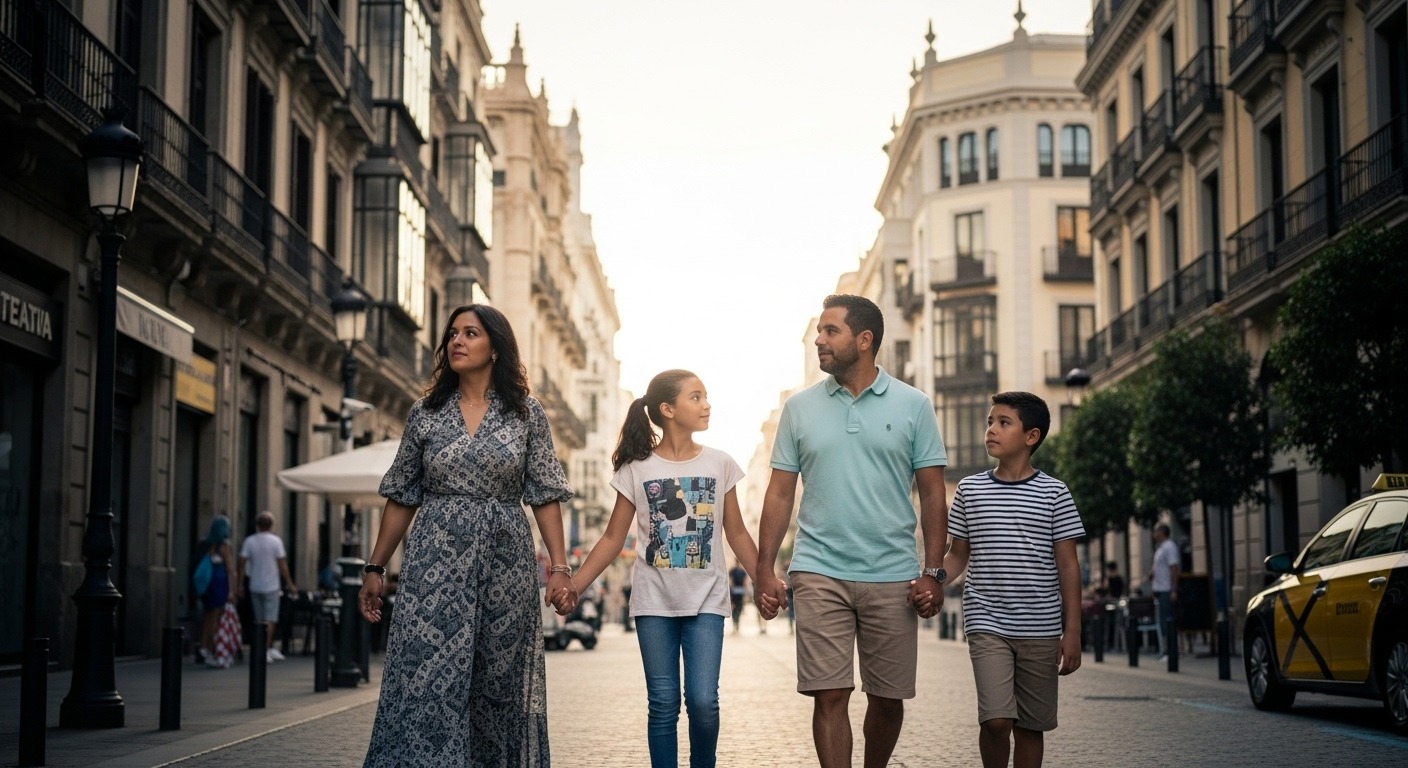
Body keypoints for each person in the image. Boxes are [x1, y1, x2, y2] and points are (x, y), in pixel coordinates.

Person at [358, 304, 575, 767]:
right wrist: (375, 567)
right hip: (433, 560)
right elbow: (402, 495)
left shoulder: (525, 414)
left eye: (470, 333)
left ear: (494, 347)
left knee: (497, 683)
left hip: (506, 561)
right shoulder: (426, 413)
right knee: (427, 676)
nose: (457, 340)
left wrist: (559, 568)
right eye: (453, 333)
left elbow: (545, 494)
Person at [753, 294, 948, 768]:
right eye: (819, 332)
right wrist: (765, 569)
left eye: (830, 331)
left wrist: (933, 573)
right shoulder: (799, 410)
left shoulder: (914, 405)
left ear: (864, 341)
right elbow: (778, 494)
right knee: (829, 695)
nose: (819, 340)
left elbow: (933, 495)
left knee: (887, 698)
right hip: (819, 569)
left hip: (893, 572)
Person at [563, 369, 761, 768]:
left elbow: (737, 532)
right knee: (663, 704)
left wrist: (766, 580)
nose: (706, 404)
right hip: (653, 603)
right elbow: (611, 538)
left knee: (704, 701)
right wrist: (575, 584)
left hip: (707, 601)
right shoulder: (637, 469)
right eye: (696, 397)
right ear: (668, 409)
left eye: (706, 396)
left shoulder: (720, 464)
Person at [942, 391, 1085, 768]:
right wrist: (932, 581)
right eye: (990, 421)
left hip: (1041, 626)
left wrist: (1072, 632)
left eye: (1003, 422)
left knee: (1029, 727)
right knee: (996, 720)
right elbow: (958, 555)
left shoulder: (1055, 493)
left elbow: (1069, 566)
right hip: (986, 621)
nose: (991, 429)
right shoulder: (970, 491)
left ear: (1031, 436)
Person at [236, 510, 297, 663]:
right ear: (271, 525)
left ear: (257, 525)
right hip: (271, 585)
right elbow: (282, 564)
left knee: (259, 618)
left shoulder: (250, 541)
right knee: (270, 619)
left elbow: (241, 564)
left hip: (255, 585)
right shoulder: (276, 541)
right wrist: (290, 583)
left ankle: (261, 648)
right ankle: (266, 648)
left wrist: (239, 584)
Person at [196, 515, 234, 665]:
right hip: (219, 584)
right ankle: (213, 650)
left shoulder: (205, 544)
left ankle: (203, 647)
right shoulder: (224, 546)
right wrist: (232, 590)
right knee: (216, 619)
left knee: (208, 616)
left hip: (207, 584)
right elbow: (231, 569)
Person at [1149, 522, 1180, 657]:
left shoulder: (1170, 547)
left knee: (1166, 620)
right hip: (1159, 589)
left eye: (1156, 531)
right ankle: (1165, 650)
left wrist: (1173, 590)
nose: (1154, 534)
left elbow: (1174, 568)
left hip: (1166, 589)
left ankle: (1169, 651)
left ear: (1162, 532)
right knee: (1161, 621)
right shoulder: (1160, 548)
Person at [728, 560, 748, 634]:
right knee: (739, 608)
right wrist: (745, 592)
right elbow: (744, 583)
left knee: (734, 609)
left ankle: (735, 625)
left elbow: (730, 582)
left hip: (734, 592)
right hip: (740, 592)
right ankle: (737, 625)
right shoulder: (742, 572)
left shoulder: (732, 571)